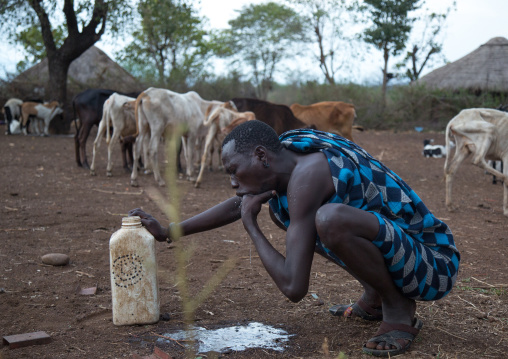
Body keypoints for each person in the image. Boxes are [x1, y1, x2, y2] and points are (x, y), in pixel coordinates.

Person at [129, 120, 460, 357]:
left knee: (329, 220)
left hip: (433, 266)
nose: (232, 181)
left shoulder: (308, 177)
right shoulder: (288, 151)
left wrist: (252, 227)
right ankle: (375, 294)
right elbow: (239, 202)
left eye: (234, 170)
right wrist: (170, 231)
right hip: (405, 254)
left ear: (261, 155)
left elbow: (293, 287)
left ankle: (398, 308)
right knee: (286, 210)